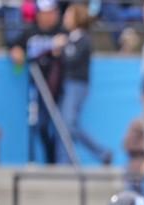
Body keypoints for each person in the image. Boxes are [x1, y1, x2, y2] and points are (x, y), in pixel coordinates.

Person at [9, 0, 65, 164]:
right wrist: (16, 50)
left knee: (60, 126)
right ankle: (50, 161)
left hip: (58, 88)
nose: (49, 16)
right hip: (38, 87)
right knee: (40, 125)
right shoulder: (31, 31)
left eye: (52, 12)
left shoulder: (61, 31)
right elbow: (14, 45)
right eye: (45, 12)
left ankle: (56, 161)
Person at [56, 3, 111, 165]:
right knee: (64, 125)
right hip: (68, 84)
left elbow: (70, 59)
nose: (65, 18)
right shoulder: (71, 39)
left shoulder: (83, 39)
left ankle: (101, 152)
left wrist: (62, 47)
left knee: (69, 124)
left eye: (68, 15)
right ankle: (64, 160)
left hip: (76, 85)